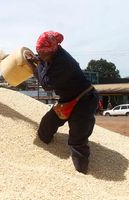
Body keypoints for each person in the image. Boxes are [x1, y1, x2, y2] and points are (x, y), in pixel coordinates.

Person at [26, 31, 98, 174]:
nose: (40, 55)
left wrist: (35, 67)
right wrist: (37, 60)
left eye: (42, 53)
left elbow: (46, 85)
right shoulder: (50, 56)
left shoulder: (63, 63)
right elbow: (43, 62)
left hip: (84, 100)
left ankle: (83, 174)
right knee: (46, 127)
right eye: (38, 52)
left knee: (77, 140)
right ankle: (46, 144)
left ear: (52, 50)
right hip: (67, 99)